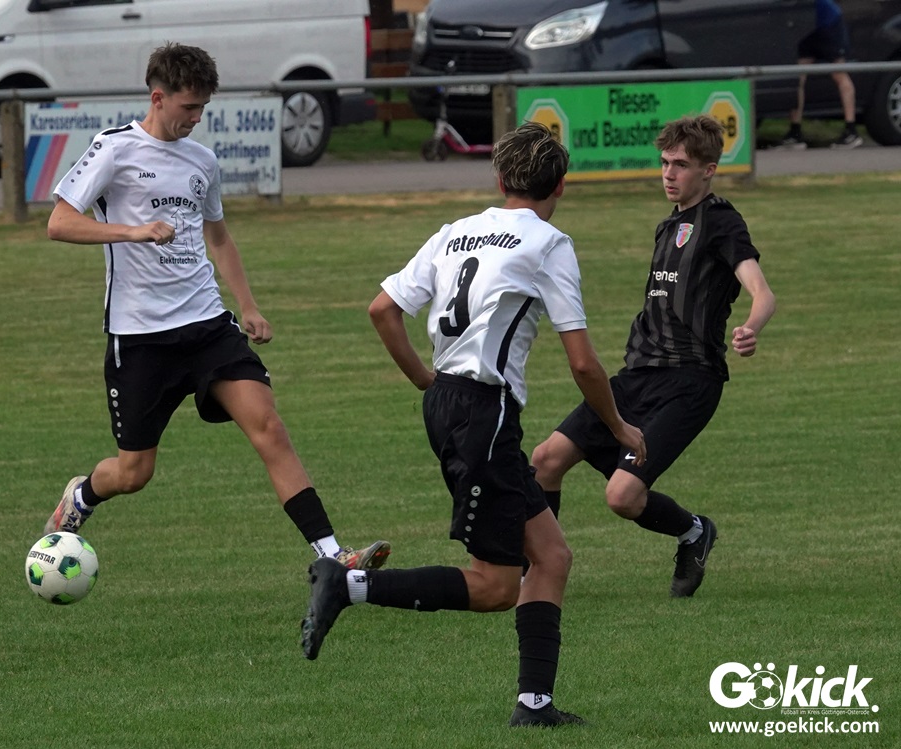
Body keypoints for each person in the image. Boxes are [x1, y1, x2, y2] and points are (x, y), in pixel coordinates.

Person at [299, 122, 646, 728]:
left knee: (551, 556)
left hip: (451, 403)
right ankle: (349, 587)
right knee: (495, 586)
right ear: (561, 184)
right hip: (484, 412)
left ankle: (535, 706)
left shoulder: (455, 232)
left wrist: (425, 380)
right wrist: (619, 428)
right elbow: (584, 363)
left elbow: (382, 309)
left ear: (501, 177)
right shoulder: (549, 244)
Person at [42, 42, 390, 573]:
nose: (196, 118)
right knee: (134, 473)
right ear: (158, 98)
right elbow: (60, 223)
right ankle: (83, 495)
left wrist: (248, 306)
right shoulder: (113, 149)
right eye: (188, 107)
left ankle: (332, 556)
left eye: (203, 107)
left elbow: (219, 238)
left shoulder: (202, 161)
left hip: (207, 326)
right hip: (140, 337)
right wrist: (134, 231)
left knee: (269, 427)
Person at [531, 115, 777, 599]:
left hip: (689, 382)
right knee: (545, 460)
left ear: (709, 170)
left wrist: (751, 327)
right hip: (637, 376)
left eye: (680, 164)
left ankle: (694, 532)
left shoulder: (722, 222)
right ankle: (537, 569)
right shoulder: (668, 226)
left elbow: (763, 292)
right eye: (664, 163)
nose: (668, 173)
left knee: (622, 497)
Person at [777, 0, 863, 149]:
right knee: (797, 77)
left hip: (828, 23)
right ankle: (795, 132)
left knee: (839, 73)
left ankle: (851, 130)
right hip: (805, 26)